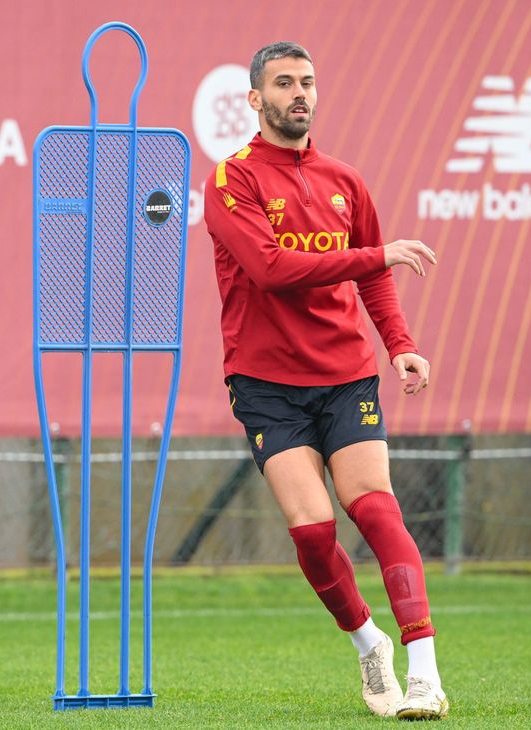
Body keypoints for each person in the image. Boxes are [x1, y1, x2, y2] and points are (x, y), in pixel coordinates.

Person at [204, 41, 447, 720]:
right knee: (312, 531)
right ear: (256, 100)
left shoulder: (346, 179)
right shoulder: (233, 181)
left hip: (345, 374)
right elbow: (272, 269)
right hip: (265, 383)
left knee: (374, 506)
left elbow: (370, 276)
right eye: (283, 83)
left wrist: (400, 345)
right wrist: (380, 251)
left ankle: (424, 670)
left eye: (307, 82)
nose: (299, 94)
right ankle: (369, 644)